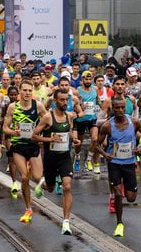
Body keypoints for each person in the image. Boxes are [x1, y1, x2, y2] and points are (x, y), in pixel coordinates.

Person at [96, 98, 141, 237]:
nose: (119, 110)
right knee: (119, 194)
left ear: (125, 107)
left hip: (129, 164)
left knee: (131, 198)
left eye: (122, 108)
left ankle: (123, 188)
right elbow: (97, 144)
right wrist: (104, 154)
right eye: (116, 108)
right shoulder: (107, 125)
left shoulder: (134, 122)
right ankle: (119, 223)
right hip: (114, 164)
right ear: (112, 108)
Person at [33, 89, 80, 235]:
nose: (65, 103)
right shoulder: (48, 117)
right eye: (62, 100)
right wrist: (49, 139)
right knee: (51, 188)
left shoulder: (69, 116)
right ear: (55, 101)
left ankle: (66, 222)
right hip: (51, 158)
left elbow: (69, 133)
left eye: (67, 100)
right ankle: (43, 183)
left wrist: (75, 139)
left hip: (65, 156)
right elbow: (34, 136)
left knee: (67, 186)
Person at [3, 79, 48, 223]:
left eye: (30, 91)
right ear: (20, 91)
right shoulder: (12, 107)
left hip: (33, 145)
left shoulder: (38, 106)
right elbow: (5, 128)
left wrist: (42, 131)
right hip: (18, 145)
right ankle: (28, 208)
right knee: (23, 177)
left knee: (37, 177)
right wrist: (14, 133)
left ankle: (39, 180)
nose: (27, 93)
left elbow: (48, 120)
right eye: (25, 90)